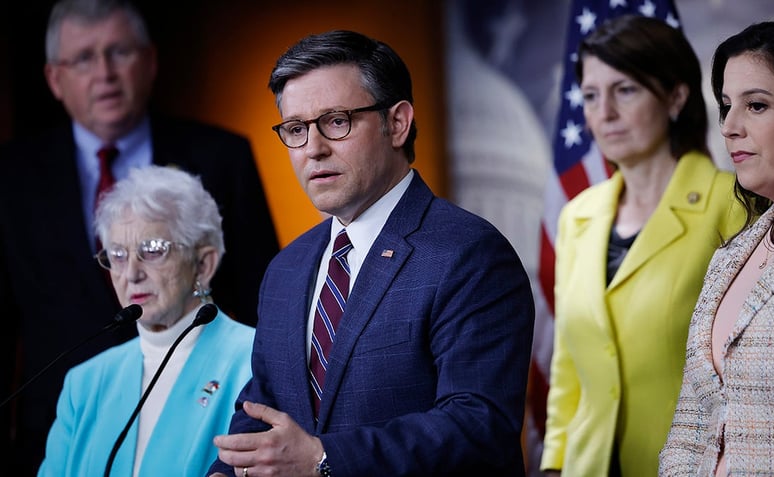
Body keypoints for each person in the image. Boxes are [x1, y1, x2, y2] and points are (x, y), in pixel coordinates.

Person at [206, 30, 534, 477]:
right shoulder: (287, 268)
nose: (314, 148)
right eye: (297, 129)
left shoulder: (469, 254)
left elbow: (478, 427)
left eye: (337, 121)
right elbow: (262, 405)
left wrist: (324, 458)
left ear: (397, 123)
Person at [0, 0, 278, 471]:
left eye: (119, 52)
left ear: (150, 62)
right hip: (62, 430)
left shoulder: (221, 156)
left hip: (209, 414)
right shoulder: (10, 176)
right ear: (54, 79)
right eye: (84, 58)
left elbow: (264, 298)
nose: (104, 73)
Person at [540, 15, 744, 477]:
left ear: (676, 96)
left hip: (695, 464)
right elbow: (568, 362)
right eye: (591, 95)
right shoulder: (577, 216)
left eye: (625, 90)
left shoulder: (731, 206)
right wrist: (554, 463)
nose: (604, 113)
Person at [660, 16, 774, 476]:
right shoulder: (730, 257)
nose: (728, 127)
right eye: (726, 105)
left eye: (757, 106)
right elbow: (694, 420)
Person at [38, 166, 254, 476]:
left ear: (203, 264)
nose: (131, 274)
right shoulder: (84, 383)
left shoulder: (255, 361)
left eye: (152, 251)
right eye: (118, 254)